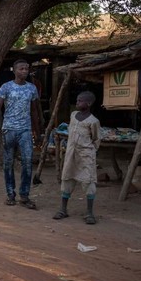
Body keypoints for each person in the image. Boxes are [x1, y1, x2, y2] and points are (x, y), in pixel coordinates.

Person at [0, 59, 44, 209]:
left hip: (25, 130)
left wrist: (37, 131)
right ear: (14, 71)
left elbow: (34, 110)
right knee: (8, 163)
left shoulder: (32, 88)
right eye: (21, 69)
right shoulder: (6, 87)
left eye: (27, 69)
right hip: (9, 129)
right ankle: (10, 194)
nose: (25, 71)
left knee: (27, 162)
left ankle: (25, 195)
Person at [53, 91, 101, 224]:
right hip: (71, 154)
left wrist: (90, 151)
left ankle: (89, 213)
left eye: (81, 101)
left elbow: (96, 139)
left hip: (86, 156)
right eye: (77, 100)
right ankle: (63, 209)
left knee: (88, 181)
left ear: (89, 103)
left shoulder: (93, 121)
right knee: (67, 178)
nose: (78, 102)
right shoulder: (73, 115)